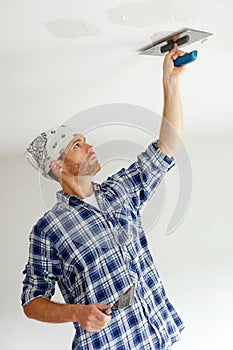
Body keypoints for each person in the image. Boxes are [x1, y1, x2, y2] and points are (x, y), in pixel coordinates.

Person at [21, 44, 186, 349]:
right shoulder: (49, 230)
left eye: (85, 141)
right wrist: (76, 313)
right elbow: (32, 302)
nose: (90, 147)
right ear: (58, 166)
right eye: (77, 145)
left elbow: (168, 145)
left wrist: (171, 82)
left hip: (158, 334)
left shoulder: (120, 191)